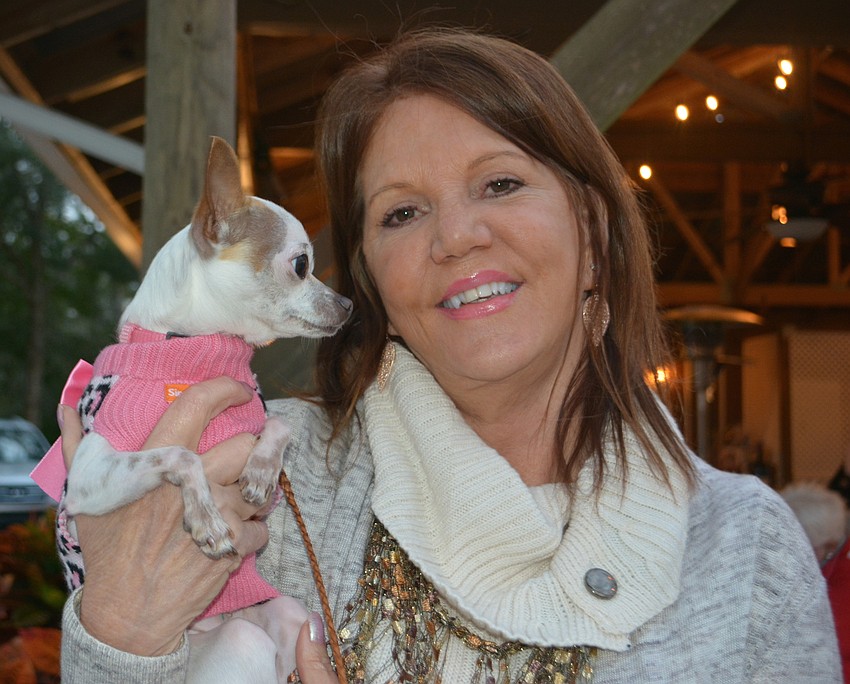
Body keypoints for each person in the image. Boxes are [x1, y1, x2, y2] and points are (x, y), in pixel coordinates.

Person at [57, 28, 840, 683]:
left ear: (594, 234)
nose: (456, 236)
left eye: (500, 184)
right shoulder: (255, 476)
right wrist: (122, 627)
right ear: (376, 281)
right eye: (402, 212)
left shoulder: (748, 552)